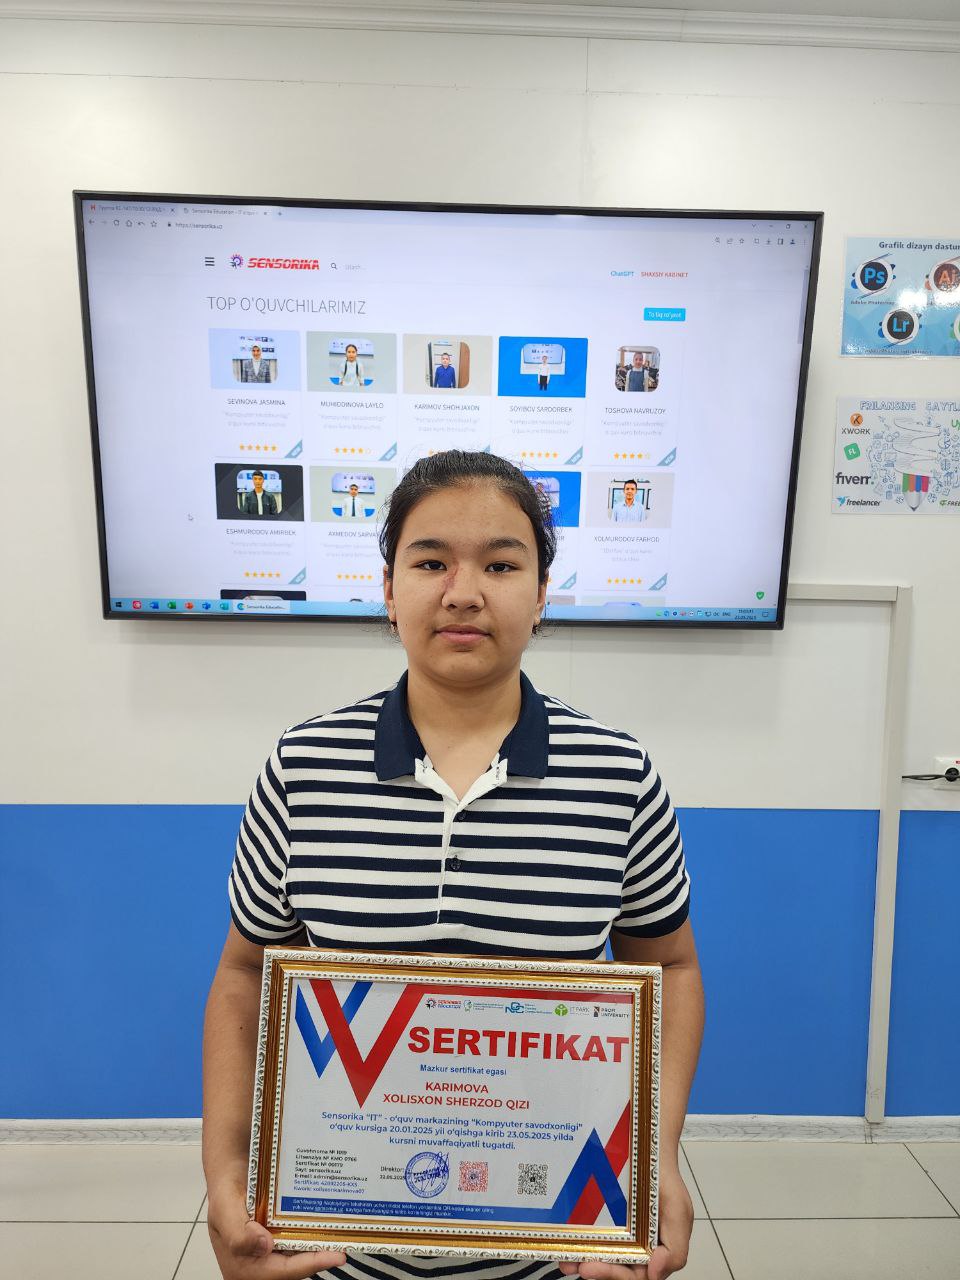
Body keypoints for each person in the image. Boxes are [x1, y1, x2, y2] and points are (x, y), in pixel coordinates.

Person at [203, 450, 703, 1280]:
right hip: (335, 1253)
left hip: (556, 1254)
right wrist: (224, 1168)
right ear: (388, 588)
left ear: (541, 594)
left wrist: (656, 1155)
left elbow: (671, 968)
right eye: (430, 561)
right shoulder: (302, 767)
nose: (463, 592)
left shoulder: (618, 774)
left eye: (501, 565)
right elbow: (245, 974)